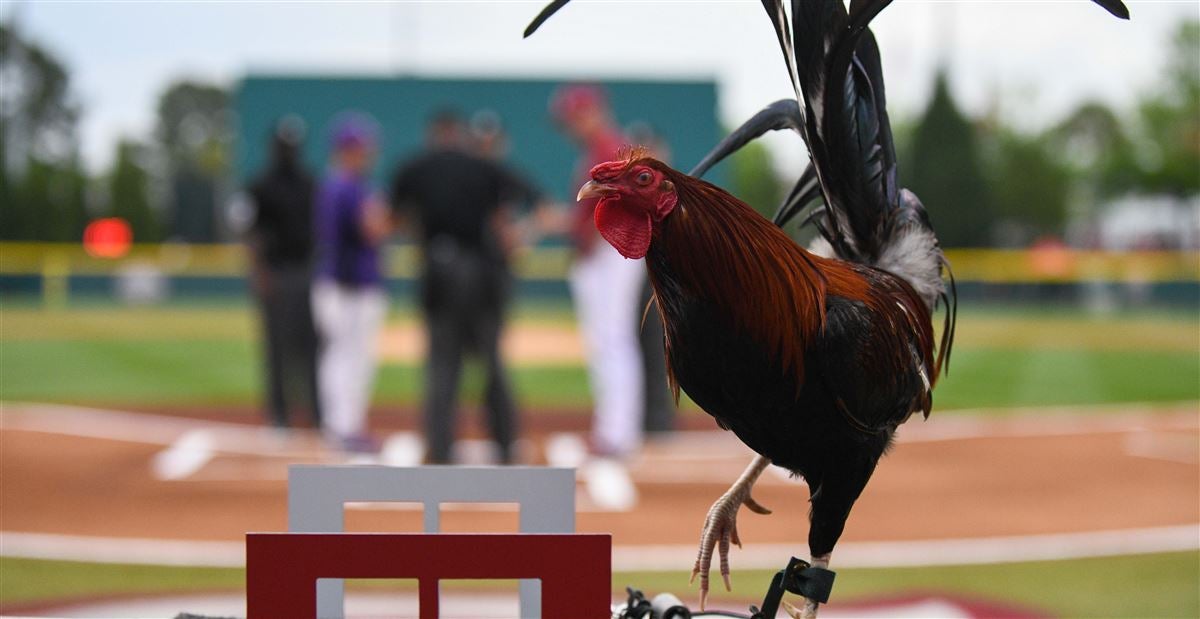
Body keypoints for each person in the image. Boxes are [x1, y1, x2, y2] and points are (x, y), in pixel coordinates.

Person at [390, 108, 540, 465]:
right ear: (459, 133)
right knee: (490, 362)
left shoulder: (415, 167)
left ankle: (441, 448)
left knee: (443, 364)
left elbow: (394, 219)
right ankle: (505, 444)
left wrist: (423, 240)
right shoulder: (483, 166)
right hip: (480, 273)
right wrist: (514, 237)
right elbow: (535, 203)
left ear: (432, 133)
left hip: (439, 272)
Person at [550, 84, 646, 458]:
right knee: (611, 341)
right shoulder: (601, 149)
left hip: (609, 254)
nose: (571, 125)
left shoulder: (608, 148)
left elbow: (605, 209)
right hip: (610, 253)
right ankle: (617, 429)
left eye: (575, 116)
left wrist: (581, 237)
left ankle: (616, 432)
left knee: (612, 341)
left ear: (591, 111)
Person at [312, 113, 390, 452]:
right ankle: (344, 426)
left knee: (345, 356)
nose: (368, 152)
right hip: (347, 286)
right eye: (362, 146)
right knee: (348, 357)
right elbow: (370, 230)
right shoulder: (346, 187)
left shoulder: (342, 185)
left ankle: (343, 425)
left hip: (344, 284)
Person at [246, 116, 321, 430]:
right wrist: (260, 273)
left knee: (311, 349)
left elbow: (320, 233)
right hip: (277, 272)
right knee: (277, 349)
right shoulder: (261, 185)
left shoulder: (310, 183)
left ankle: (318, 414)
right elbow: (253, 234)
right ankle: (279, 416)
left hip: (307, 271)